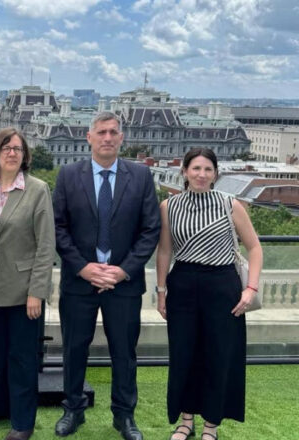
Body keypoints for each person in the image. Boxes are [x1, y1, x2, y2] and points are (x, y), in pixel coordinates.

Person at [52, 111, 161, 440]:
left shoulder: (140, 176)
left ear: (122, 138)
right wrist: (83, 267)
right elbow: (58, 228)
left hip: (123, 284)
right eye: (101, 132)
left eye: (114, 132)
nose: (108, 138)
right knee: (73, 348)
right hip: (78, 282)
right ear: (89, 137)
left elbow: (150, 229)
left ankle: (124, 416)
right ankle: (73, 410)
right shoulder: (69, 175)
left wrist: (123, 271)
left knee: (124, 352)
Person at [155, 148, 262, 440]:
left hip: (222, 286)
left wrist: (250, 288)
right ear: (185, 172)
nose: (201, 175)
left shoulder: (231, 205)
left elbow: (254, 247)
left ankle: (211, 425)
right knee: (184, 355)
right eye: (196, 168)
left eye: (208, 169)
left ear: (216, 174)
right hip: (183, 286)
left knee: (218, 356)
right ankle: (186, 421)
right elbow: (164, 251)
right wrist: (161, 291)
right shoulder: (169, 206)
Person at [0, 128, 56, 440]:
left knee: (22, 358)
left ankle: (22, 422)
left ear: (25, 155)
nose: (12, 153)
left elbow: (46, 245)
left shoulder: (38, 189)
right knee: (0, 353)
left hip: (24, 291)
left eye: (18, 148)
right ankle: (0, 408)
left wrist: (37, 291)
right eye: (6, 147)